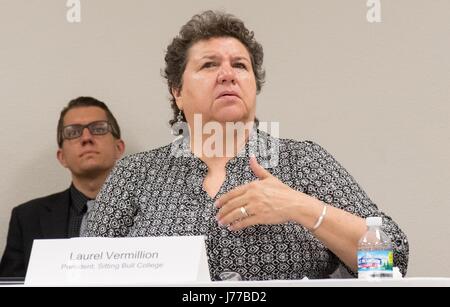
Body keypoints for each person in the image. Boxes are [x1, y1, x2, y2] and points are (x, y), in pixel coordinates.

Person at [83, 11, 409, 280]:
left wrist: (301, 207)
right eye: (209, 65)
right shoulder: (136, 173)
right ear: (177, 91)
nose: (228, 74)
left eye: (240, 65)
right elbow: (83, 272)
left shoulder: (303, 160)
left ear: (254, 84)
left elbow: (393, 258)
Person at [0, 96, 125, 277]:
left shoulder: (157, 211)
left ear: (119, 148)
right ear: (62, 157)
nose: (87, 138)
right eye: (73, 132)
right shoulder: (27, 218)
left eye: (98, 129)